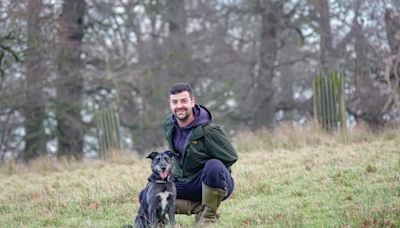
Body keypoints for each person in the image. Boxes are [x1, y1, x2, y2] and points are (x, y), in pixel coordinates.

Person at [162, 82, 238, 225]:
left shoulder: (209, 130)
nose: (179, 106)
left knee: (214, 165)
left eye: (184, 101)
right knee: (148, 194)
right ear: (170, 104)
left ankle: (208, 216)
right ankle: (200, 208)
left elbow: (231, 157)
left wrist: (209, 174)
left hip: (210, 182)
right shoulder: (168, 125)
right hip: (184, 182)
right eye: (175, 102)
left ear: (193, 102)